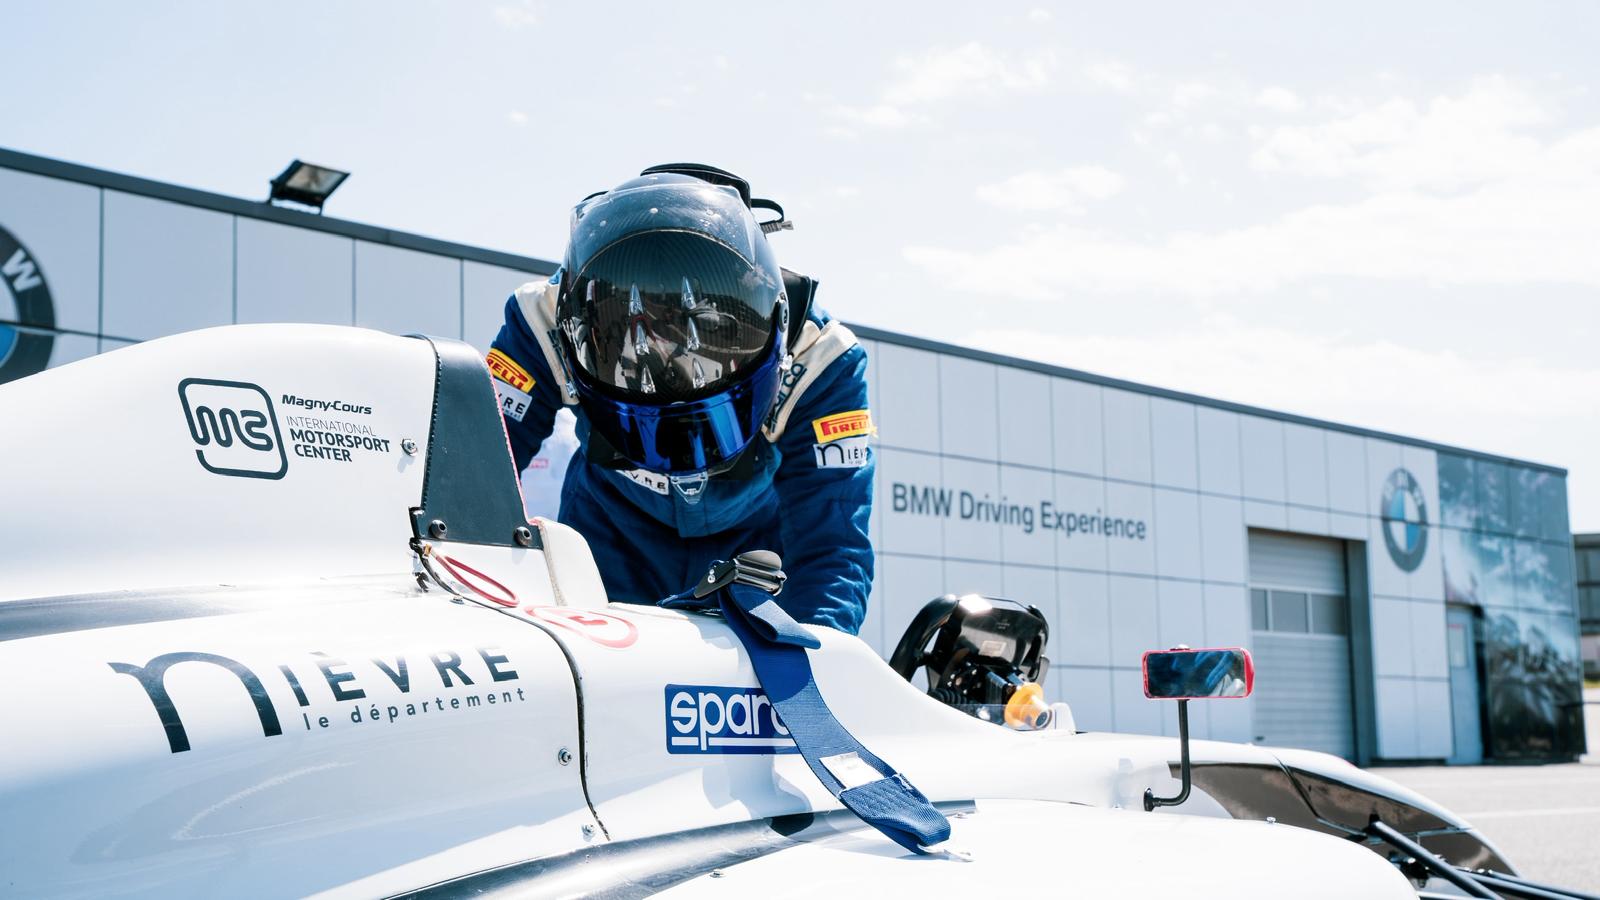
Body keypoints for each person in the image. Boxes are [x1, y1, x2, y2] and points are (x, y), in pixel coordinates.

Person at [486, 164, 874, 633]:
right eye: (643, 326)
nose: (665, 349)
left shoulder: (821, 355)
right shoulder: (543, 320)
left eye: (688, 327)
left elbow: (832, 545)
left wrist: (818, 663)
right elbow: (476, 472)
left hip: (755, 552)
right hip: (609, 533)